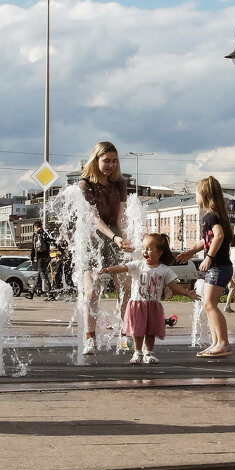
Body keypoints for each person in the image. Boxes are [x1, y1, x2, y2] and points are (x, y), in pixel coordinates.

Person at [102, 234, 200, 364]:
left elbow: (173, 285)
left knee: (150, 331)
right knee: (137, 331)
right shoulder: (138, 265)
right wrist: (109, 269)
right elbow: (123, 267)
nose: (145, 252)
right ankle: (137, 353)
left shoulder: (164, 270)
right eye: (143, 248)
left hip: (153, 306)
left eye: (149, 249)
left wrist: (187, 293)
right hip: (137, 304)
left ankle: (149, 352)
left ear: (159, 252)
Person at [77, 142, 133, 356]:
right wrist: (115, 237)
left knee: (125, 288)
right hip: (93, 238)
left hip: (116, 236)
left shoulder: (119, 183)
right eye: (106, 160)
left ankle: (124, 336)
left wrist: (123, 239)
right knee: (92, 290)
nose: (110, 165)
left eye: (114, 161)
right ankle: (90, 337)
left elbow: (121, 217)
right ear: (96, 160)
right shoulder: (85, 185)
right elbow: (93, 218)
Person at [177, 176, 235, 358]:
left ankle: (223, 343)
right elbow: (207, 240)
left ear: (204, 195)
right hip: (220, 267)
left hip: (218, 267)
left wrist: (209, 257)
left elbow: (218, 236)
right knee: (209, 304)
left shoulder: (211, 216)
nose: (195, 197)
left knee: (210, 304)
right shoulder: (216, 216)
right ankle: (216, 343)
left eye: (196, 194)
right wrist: (191, 251)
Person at [28, 220, 53, 299]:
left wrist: (32, 259)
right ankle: (31, 292)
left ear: (35, 226)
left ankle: (50, 293)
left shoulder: (36, 235)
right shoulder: (45, 233)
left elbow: (33, 247)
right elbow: (49, 244)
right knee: (39, 275)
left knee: (43, 275)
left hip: (40, 258)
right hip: (46, 257)